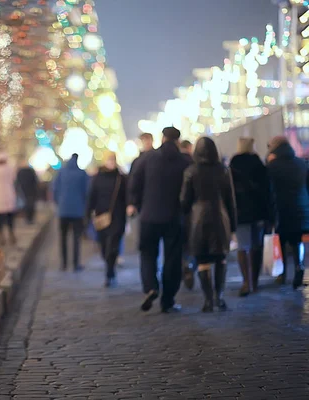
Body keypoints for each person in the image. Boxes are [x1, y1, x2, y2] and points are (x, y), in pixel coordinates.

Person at [128, 126, 191, 313]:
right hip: (174, 217)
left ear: (162, 138)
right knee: (172, 258)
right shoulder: (185, 161)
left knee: (148, 254)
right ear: (178, 141)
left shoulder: (147, 158)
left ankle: (151, 287)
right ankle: (168, 299)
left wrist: (136, 204)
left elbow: (134, 183)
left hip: (149, 215)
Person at [181, 137, 237, 312]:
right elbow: (231, 200)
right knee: (220, 258)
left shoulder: (191, 171)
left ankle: (208, 300)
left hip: (198, 219)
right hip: (220, 218)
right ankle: (219, 297)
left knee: (203, 259)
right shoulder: (223, 170)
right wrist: (233, 226)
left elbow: (184, 201)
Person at [229, 137, 272, 296]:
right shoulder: (258, 162)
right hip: (258, 211)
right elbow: (267, 190)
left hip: (241, 212)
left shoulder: (234, 163)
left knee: (243, 247)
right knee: (257, 246)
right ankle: (255, 281)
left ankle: (246, 282)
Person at [266, 136, 309, 289]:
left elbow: (268, 190)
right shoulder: (300, 164)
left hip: (281, 209)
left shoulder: (272, 166)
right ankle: (299, 266)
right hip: (301, 208)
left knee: (283, 241)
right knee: (297, 240)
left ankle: (283, 274)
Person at [86, 151, 127, 287]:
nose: (111, 162)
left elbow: (126, 196)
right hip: (101, 217)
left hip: (118, 217)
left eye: (112, 159)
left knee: (113, 246)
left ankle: (110, 272)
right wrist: (88, 213)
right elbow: (92, 196)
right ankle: (109, 266)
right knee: (104, 246)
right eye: (108, 159)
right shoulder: (98, 177)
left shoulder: (121, 178)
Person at [53, 153, 89, 271]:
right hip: (78, 211)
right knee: (76, 238)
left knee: (62, 238)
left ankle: (63, 264)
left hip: (63, 211)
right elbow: (87, 192)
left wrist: (59, 203)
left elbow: (54, 189)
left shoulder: (62, 172)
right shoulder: (82, 174)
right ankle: (75, 264)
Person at [0, 150, 17, 246]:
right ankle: (11, 233)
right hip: (9, 194)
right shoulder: (10, 168)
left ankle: (1, 236)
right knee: (10, 217)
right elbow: (14, 179)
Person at [16, 158, 39, 224]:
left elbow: (17, 182)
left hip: (23, 190)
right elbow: (35, 181)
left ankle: (27, 218)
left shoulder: (20, 172)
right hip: (31, 191)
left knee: (25, 204)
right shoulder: (31, 171)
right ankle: (30, 218)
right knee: (31, 205)